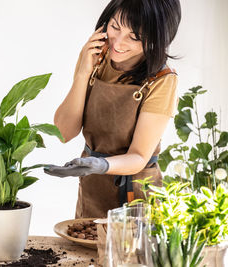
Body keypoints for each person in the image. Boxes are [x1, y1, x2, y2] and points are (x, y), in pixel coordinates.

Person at [44, 0, 182, 218]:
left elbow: (138, 156)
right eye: (115, 27)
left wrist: (98, 164)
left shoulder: (162, 79)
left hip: (135, 194)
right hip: (93, 187)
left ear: (157, 37)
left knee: (127, 250)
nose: (118, 42)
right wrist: (83, 73)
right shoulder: (97, 57)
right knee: (85, 245)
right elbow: (63, 132)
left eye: (134, 37)